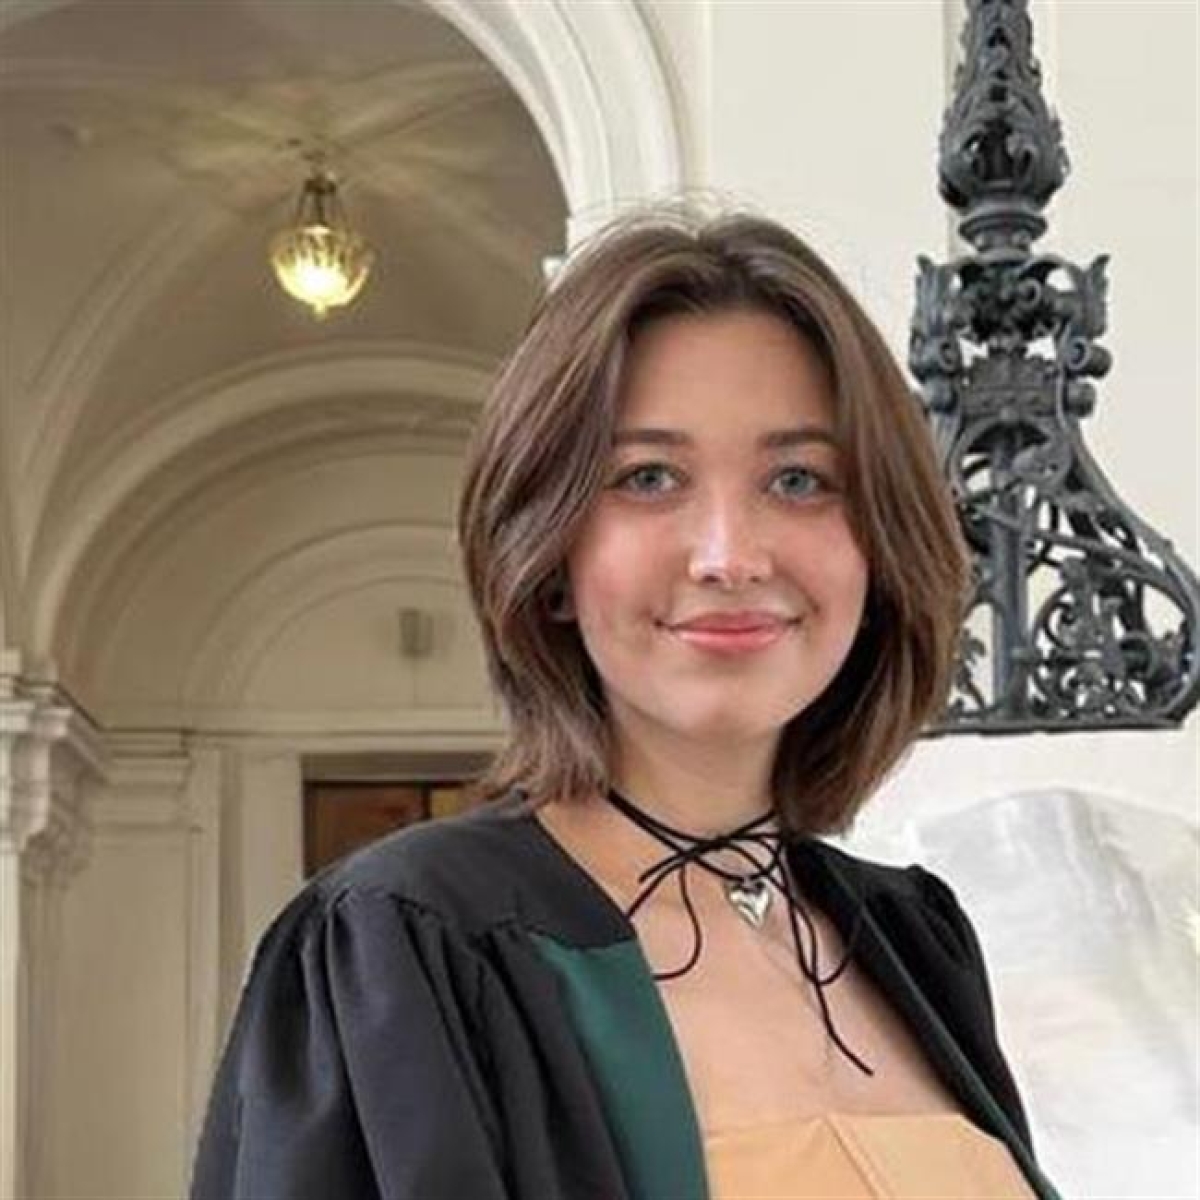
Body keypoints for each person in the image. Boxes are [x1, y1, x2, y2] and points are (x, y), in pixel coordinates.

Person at [188, 209, 1061, 1199]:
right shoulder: (406, 944)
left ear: (879, 544)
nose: (730, 556)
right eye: (648, 478)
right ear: (549, 552)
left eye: (799, 478)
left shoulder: (915, 941)